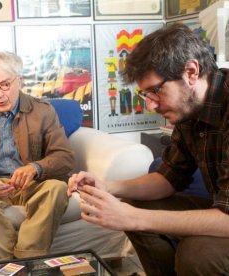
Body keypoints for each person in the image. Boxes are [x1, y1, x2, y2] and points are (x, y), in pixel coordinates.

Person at [68, 24, 229, 275]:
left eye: (155, 91)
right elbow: (168, 178)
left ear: (191, 71)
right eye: (146, 94)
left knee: (198, 254)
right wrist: (108, 187)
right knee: (136, 204)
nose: (151, 104)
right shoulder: (189, 111)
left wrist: (132, 217)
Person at [0, 51, 75, 262]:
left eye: (5, 85)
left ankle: (25, 258)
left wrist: (35, 168)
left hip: (34, 183)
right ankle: (11, 265)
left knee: (57, 189)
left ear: (19, 81)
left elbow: (64, 156)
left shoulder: (43, 111)